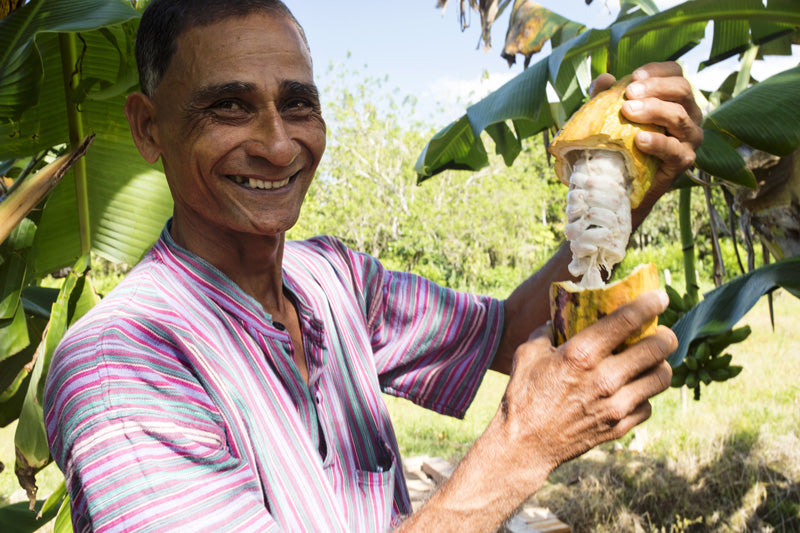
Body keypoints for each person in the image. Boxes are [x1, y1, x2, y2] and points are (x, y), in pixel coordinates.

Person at [43, 0, 704, 531]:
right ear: (148, 127)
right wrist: (521, 447)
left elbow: (504, 332)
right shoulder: (118, 365)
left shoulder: (335, 281)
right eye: (229, 106)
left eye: (298, 103)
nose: (278, 144)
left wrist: (625, 182)